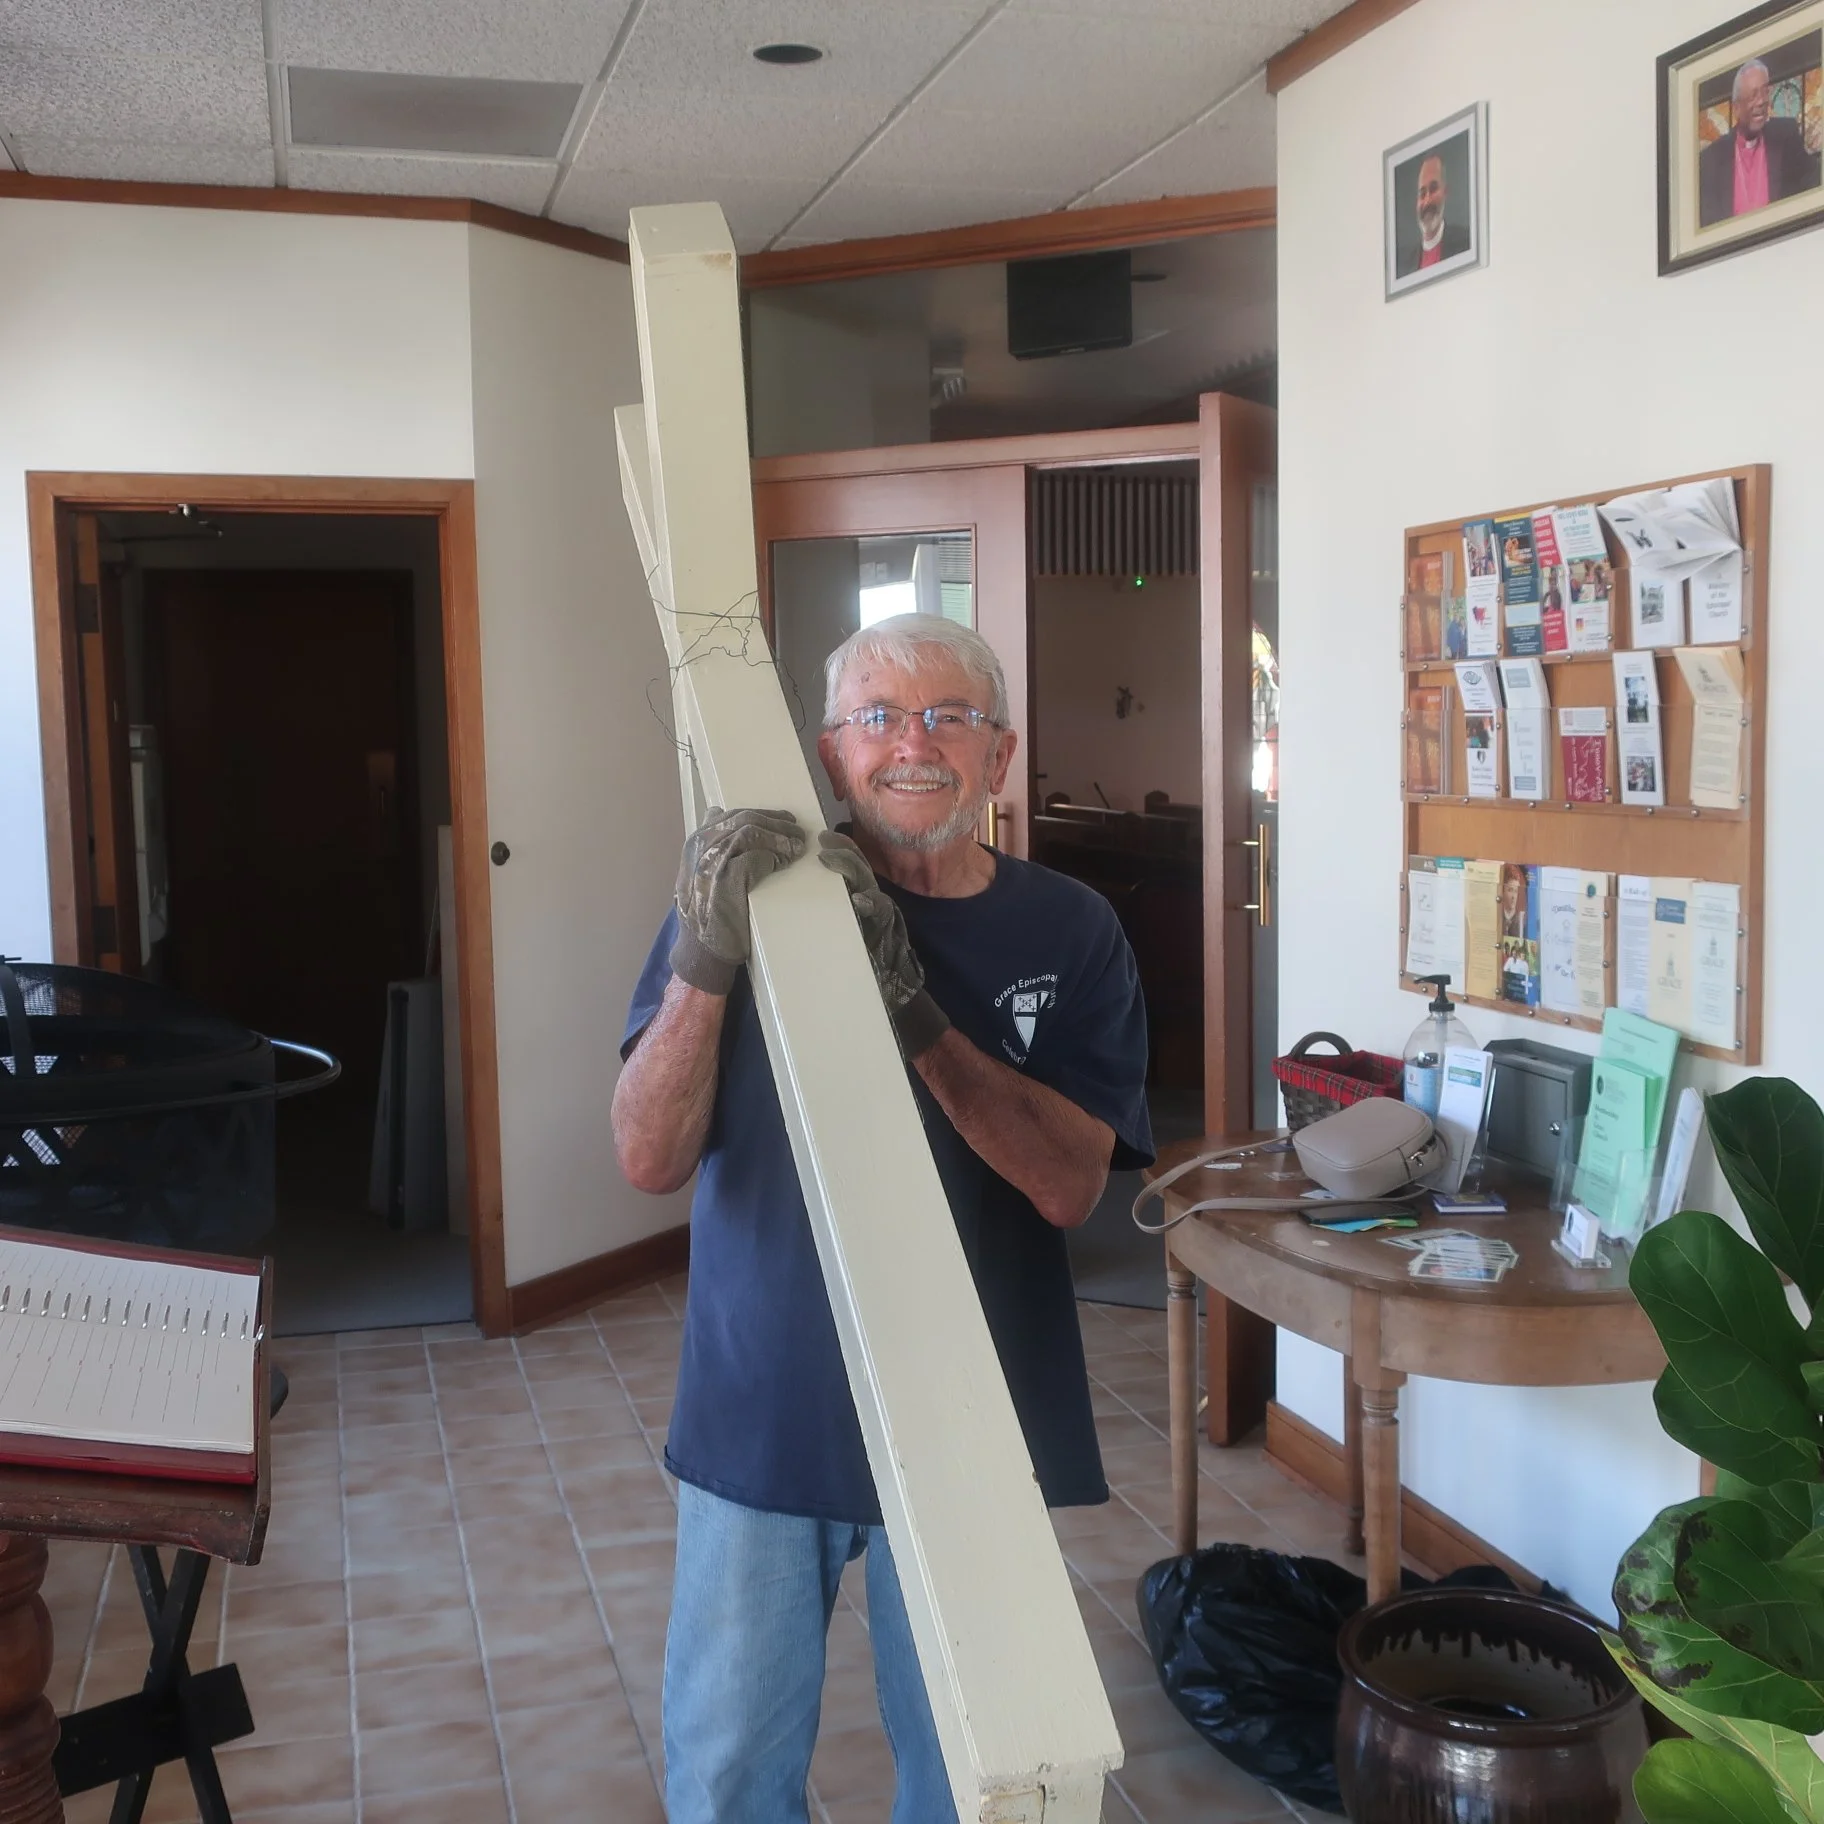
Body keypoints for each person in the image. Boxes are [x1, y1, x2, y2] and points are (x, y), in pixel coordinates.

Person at [612, 613, 1153, 1824]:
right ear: (830, 750)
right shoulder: (749, 904)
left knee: (975, 1776)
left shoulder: (1072, 932)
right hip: (767, 1398)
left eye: (949, 716)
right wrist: (707, 958)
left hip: (974, 1415)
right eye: (878, 718)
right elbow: (647, 1156)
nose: (913, 744)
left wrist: (913, 1011)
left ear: (999, 756)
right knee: (728, 1773)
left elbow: (1068, 1185)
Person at [1699, 57, 1822, 226]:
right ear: (1736, 108)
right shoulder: (1712, 157)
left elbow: (1813, 181)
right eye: (1753, 95)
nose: (1762, 101)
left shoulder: (1786, 135)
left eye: (1765, 92)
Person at [1399, 150, 1470, 276]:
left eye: (1433, 189)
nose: (1427, 201)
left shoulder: (1467, 242)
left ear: (1445, 192)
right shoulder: (1403, 265)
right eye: (1422, 193)